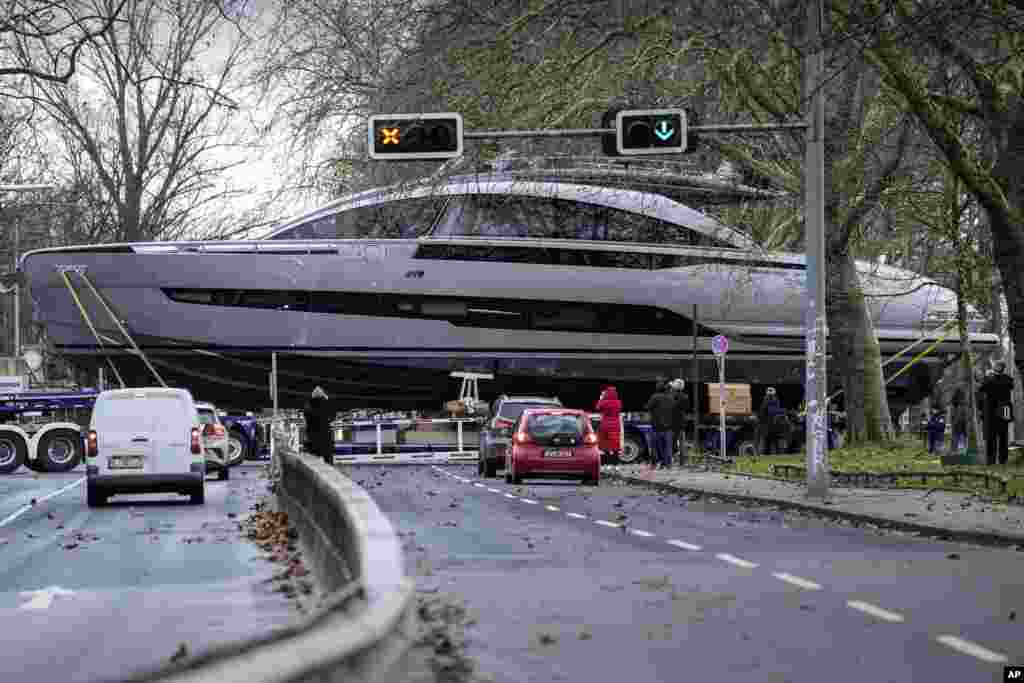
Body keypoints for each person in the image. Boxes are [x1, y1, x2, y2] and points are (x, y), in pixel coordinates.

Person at [978, 361, 1015, 465]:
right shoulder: (992, 378)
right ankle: (992, 459)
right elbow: (982, 388)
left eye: (998, 366)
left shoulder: (1006, 379)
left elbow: (1010, 386)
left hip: (1002, 409)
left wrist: (990, 377)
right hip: (993, 410)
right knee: (991, 436)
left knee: (1003, 435)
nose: (996, 367)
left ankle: (1002, 459)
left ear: (1001, 367)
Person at [645, 380, 677, 470]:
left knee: (655, 447)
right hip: (669, 427)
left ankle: (654, 464)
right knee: (667, 447)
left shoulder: (654, 397)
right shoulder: (671, 398)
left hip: (656, 426)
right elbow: (674, 411)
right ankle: (668, 465)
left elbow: (648, 407)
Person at [303, 386, 336, 465]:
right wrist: (327, 399)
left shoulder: (308, 405)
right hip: (325, 437)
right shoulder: (326, 404)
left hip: (312, 438)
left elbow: (306, 417)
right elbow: (333, 416)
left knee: (312, 462)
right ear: (322, 395)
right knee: (328, 461)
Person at [594, 385, 623, 462]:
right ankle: (616, 462)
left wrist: (601, 398)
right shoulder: (618, 402)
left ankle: (607, 461)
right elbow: (620, 409)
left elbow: (597, 408)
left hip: (605, 425)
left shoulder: (604, 402)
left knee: (606, 444)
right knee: (615, 444)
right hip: (616, 426)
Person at [758, 387, 787, 455]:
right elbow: (771, 411)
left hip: (770, 424)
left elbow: (765, 411)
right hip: (771, 424)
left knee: (770, 441)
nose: (770, 394)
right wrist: (783, 411)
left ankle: (769, 453)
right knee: (772, 440)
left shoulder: (767, 400)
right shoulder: (772, 400)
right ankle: (774, 453)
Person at [669, 379, 690, 464]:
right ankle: (682, 461)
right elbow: (687, 408)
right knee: (681, 442)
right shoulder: (685, 396)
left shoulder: (672, 396)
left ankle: (671, 459)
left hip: (672, 422)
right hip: (681, 422)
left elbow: (671, 407)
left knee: (672, 441)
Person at [950, 388, 968, 453]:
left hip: (959, 422)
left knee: (957, 436)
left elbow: (953, 415)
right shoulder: (963, 404)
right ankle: (961, 449)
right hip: (961, 422)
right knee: (961, 436)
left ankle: (956, 450)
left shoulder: (955, 404)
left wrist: (953, 421)